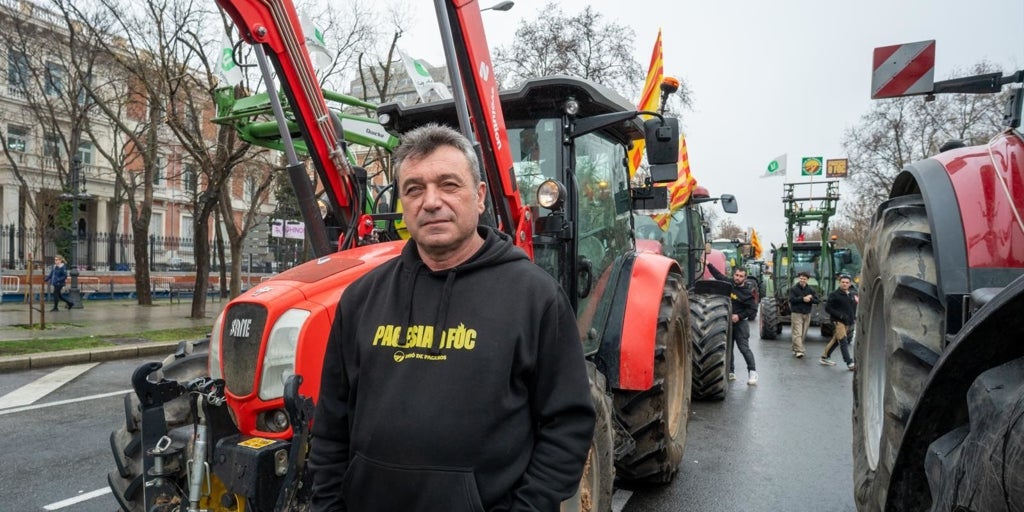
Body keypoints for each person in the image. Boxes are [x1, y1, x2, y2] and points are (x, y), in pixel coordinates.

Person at [308, 123, 596, 512]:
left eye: (448, 185)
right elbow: (331, 425)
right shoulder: (361, 298)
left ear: (479, 197)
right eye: (414, 189)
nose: (431, 202)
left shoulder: (535, 298)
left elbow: (568, 425)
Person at [707, 262, 759, 385]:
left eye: (741, 276)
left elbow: (753, 310)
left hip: (741, 324)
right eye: (736, 275)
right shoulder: (728, 284)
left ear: (745, 278)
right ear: (733, 275)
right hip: (727, 322)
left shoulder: (747, 293)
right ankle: (731, 371)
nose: (738, 278)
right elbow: (718, 275)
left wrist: (739, 316)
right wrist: (708, 264)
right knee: (728, 348)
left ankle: (753, 372)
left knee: (743, 348)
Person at [821, 275, 857, 370]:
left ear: (850, 284)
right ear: (839, 283)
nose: (845, 284)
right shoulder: (834, 294)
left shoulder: (851, 294)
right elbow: (828, 308)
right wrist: (840, 316)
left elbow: (852, 308)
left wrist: (852, 318)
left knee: (836, 340)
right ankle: (849, 362)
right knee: (843, 341)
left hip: (847, 322)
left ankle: (824, 357)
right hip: (838, 321)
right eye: (843, 282)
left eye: (847, 282)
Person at [788, 271, 819, 358]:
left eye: (804, 279)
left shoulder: (811, 290)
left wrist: (810, 299)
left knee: (803, 333)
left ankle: (795, 348)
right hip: (796, 313)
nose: (802, 280)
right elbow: (791, 299)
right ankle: (799, 351)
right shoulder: (793, 289)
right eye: (801, 278)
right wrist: (802, 299)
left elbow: (817, 300)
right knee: (797, 332)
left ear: (807, 280)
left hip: (807, 313)